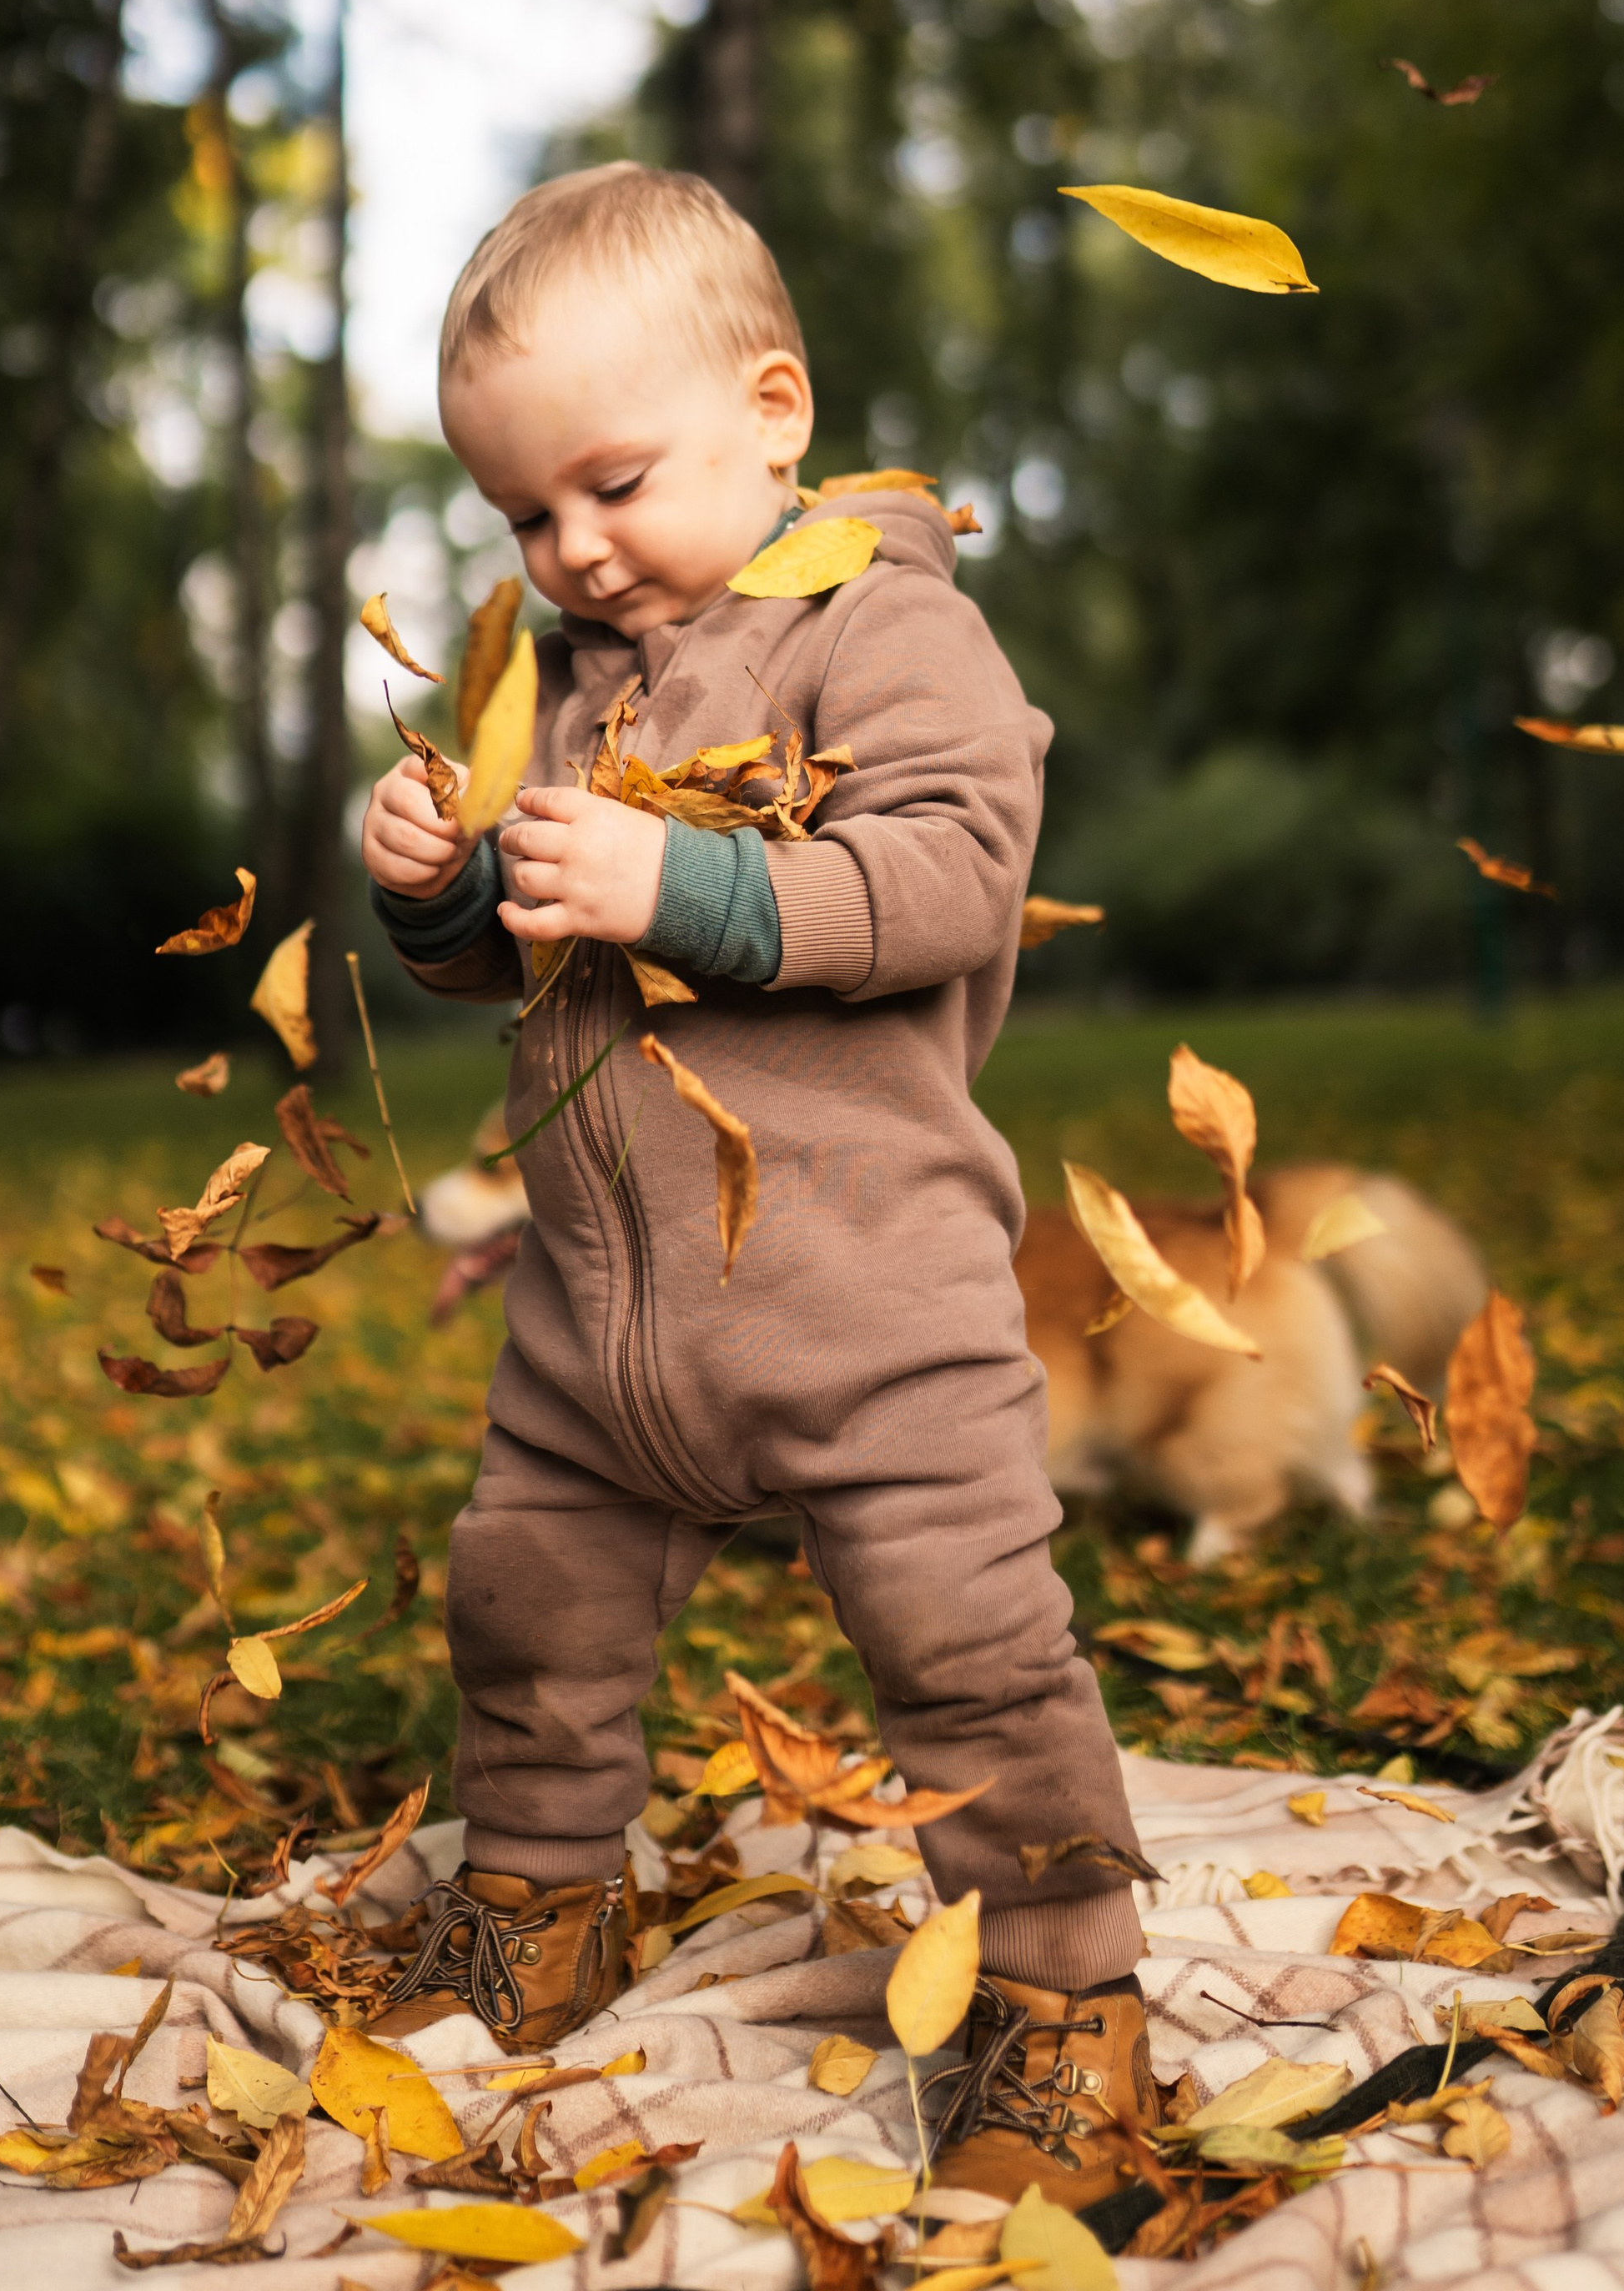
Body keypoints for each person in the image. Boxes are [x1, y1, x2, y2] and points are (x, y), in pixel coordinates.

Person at [359, 163, 1158, 2206]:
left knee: (965, 1645)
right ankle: (534, 1908)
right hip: (598, 1340)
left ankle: (1063, 2005)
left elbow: (946, 877)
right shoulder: (569, 683)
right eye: (525, 516)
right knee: (523, 1609)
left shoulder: (889, 629)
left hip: (860, 1303)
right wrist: (447, 897)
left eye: (609, 486)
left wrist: (680, 883)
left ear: (773, 411)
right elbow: (530, 960)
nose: (570, 548)